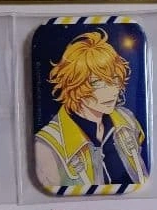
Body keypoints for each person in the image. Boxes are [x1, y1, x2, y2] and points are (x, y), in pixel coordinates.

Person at [35, 31, 147, 187]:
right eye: (97, 83)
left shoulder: (127, 120)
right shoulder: (48, 146)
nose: (111, 91)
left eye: (114, 80)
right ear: (74, 84)